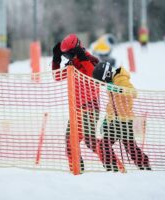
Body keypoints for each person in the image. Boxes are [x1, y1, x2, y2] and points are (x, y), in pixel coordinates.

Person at [51, 33, 100, 172]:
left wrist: (83, 58)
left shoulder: (90, 60)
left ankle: (113, 163)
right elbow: (57, 76)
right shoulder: (72, 64)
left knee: (90, 142)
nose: (68, 58)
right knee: (69, 143)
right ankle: (76, 171)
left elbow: (93, 76)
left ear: (76, 49)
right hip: (76, 110)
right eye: (65, 55)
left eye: (69, 54)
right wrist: (56, 59)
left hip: (90, 107)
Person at [93, 61, 151, 171]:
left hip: (125, 120)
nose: (104, 83)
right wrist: (106, 120)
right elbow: (112, 104)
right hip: (115, 121)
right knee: (104, 144)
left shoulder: (121, 79)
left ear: (108, 75)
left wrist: (117, 89)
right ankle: (111, 168)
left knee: (130, 147)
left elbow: (134, 93)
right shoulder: (110, 83)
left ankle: (144, 165)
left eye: (103, 81)